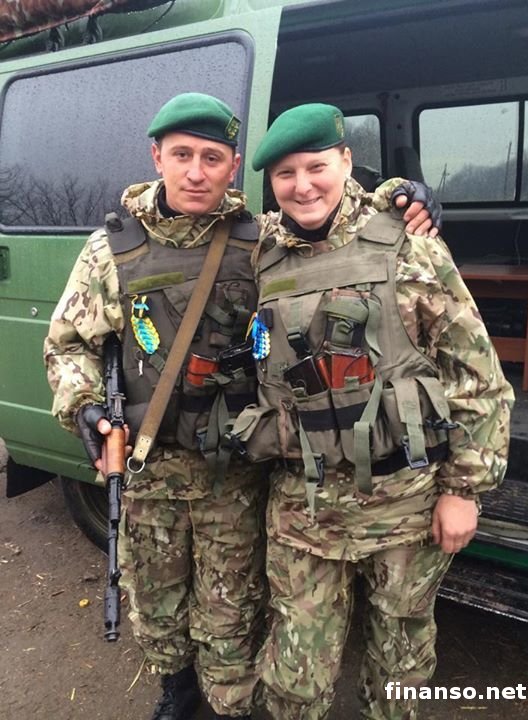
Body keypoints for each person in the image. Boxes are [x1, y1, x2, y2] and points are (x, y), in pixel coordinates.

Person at [43, 93, 442, 720]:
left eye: (212, 158)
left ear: (233, 167)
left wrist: (402, 196)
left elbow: (331, 225)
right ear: (157, 158)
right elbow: (69, 345)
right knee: (155, 594)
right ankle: (177, 688)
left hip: (233, 468)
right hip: (148, 465)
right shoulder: (109, 250)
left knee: (232, 598)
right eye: (182, 155)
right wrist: (85, 405)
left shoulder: (262, 241)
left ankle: (228, 702)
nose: (195, 172)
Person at [231, 103, 514, 720]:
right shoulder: (260, 254)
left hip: (404, 505)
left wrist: (463, 491)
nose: (303, 186)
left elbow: (477, 377)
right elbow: (190, 218)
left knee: (400, 664)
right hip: (304, 509)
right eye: (285, 174)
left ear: (346, 161)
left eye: (316, 167)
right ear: (270, 183)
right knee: (295, 674)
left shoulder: (409, 245)